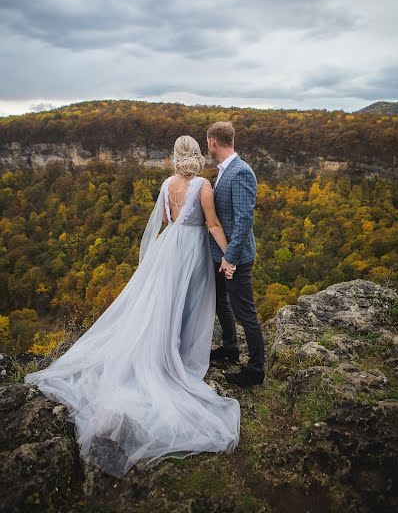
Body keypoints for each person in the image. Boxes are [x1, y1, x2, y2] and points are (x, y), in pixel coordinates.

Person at [24, 135, 240, 479]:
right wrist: (229, 255)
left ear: (174, 156)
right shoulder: (204, 187)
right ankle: (178, 355)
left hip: (168, 249)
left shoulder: (167, 183)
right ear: (198, 156)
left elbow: (168, 222)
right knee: (191, 303)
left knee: (163, 304)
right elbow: (212, 225)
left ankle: (162, 348)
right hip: (192, 251)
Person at [207, 121, 265, 387]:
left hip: (236, 257)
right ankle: (230, 347)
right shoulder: (224, 170)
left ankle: (255, 370)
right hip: (222, 254)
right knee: (221, 300)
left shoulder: (240, 171)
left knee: (245, 313)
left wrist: (230, 258)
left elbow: (244, 221)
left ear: (213, 142)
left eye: (207, 142)